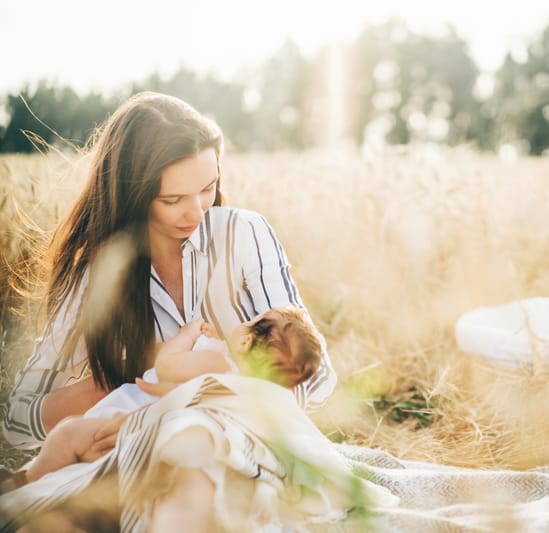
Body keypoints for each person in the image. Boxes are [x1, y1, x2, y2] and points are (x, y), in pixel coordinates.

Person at [1, 91, 337, 531]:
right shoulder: (97, 273)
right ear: (131, 195)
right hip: (124, 447)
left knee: (191, 461)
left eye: (207, 188)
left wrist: (214, 393)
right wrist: (116, 387)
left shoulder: (243, 234)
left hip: (235, 442)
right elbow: (16, 418)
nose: (197, 212)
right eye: (173, 199)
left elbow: (316, 377)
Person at [8, 306, 322, 489]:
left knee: (67, 434)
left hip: (127, 421)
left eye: (253, 322)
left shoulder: (220, 362)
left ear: (248, 341)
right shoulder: (246, 391)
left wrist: (186, 335)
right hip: (148, 444)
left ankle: (26, 481)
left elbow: (167, 366)